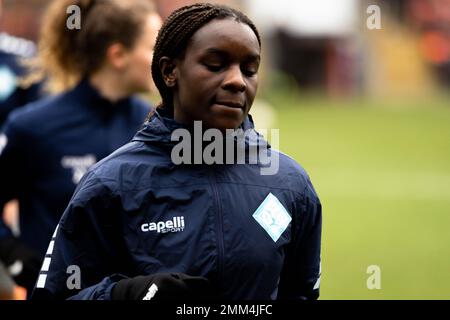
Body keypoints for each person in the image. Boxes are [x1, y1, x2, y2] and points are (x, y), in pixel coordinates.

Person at [32, 3, 322, 300]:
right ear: (170, 71)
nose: (237, 81)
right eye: (215, 64)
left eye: (250, 69)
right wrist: (124, 294)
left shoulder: (290, 184)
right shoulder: (110, 184)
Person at [0, 0, 162, 295]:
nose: (164, 59)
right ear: (118, 55)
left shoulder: (154, 126)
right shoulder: (33, 127)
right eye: (153, 47)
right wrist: (12, 254)